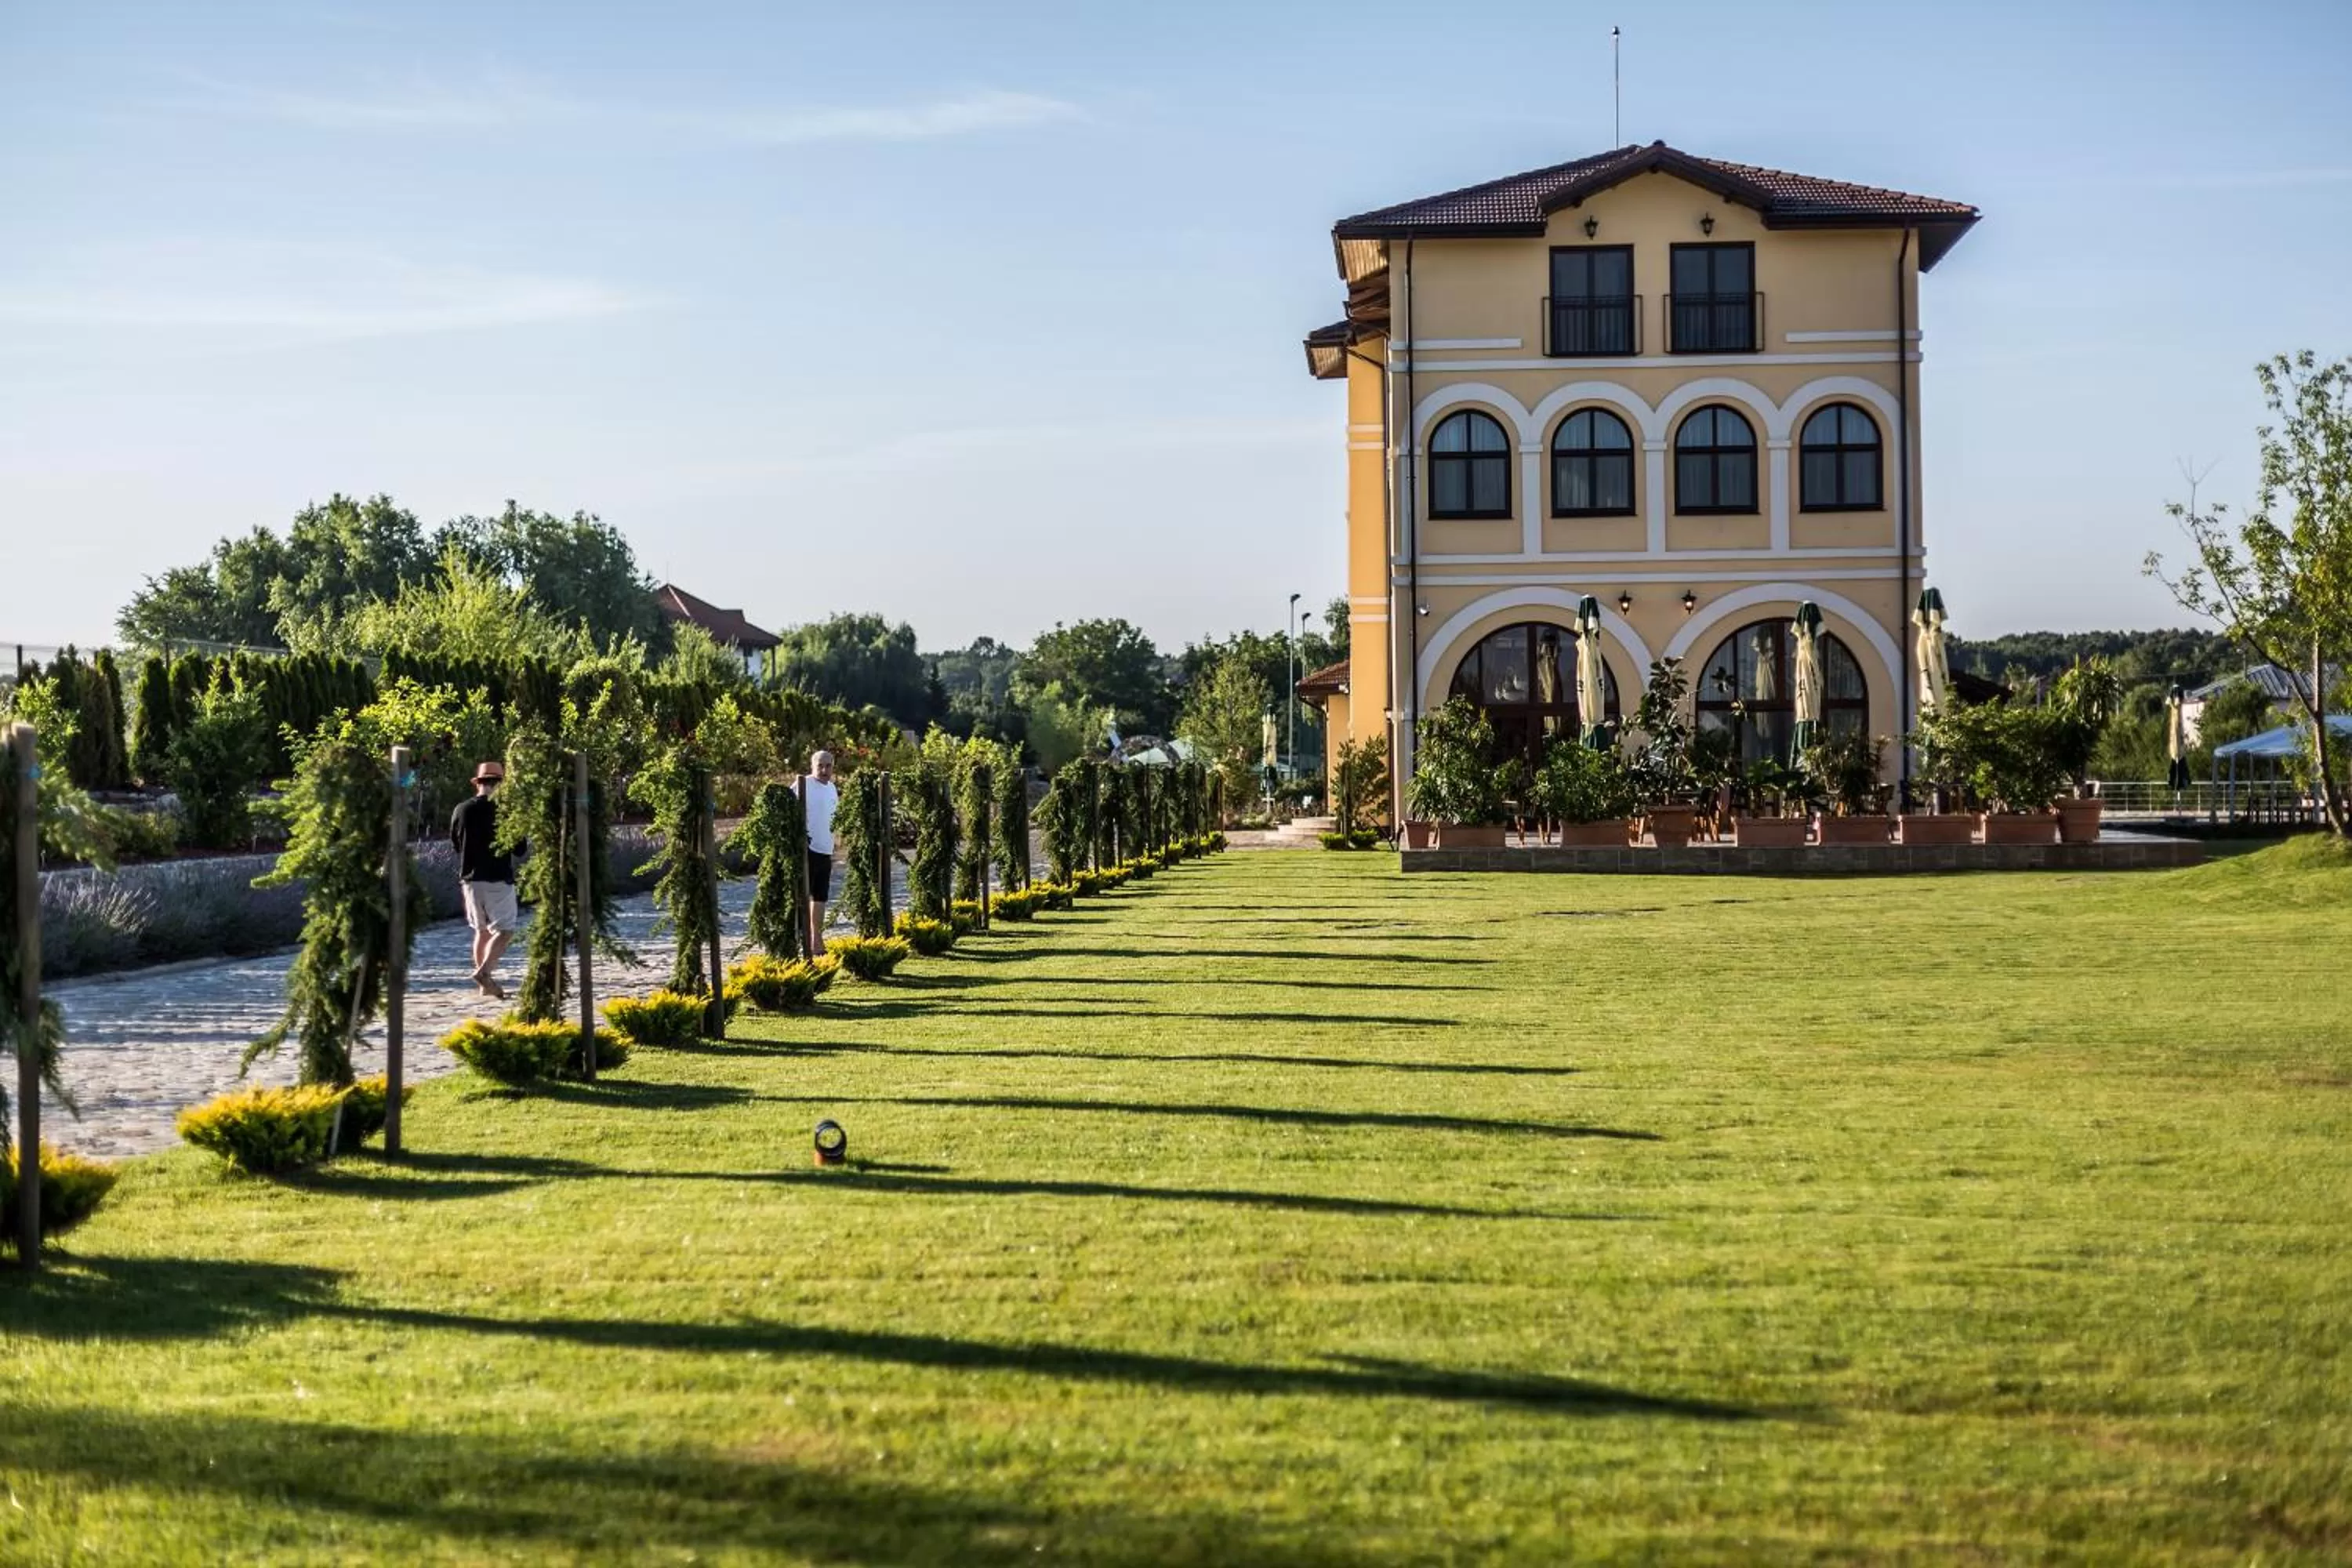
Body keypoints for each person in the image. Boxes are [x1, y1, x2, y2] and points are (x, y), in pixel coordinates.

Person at [450, 760, 520, 1000]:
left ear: (478, 783)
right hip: (497, 878)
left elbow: (457, 844)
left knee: (481, 931)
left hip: (470, 879)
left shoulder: (461, 809)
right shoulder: (506, 811)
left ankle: (484, 987)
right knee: (505, 930)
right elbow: (520, 849)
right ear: (500, 785)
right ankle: (484, 973)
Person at [802, 750, 838, 956]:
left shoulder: (832, 788)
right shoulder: (803, 785)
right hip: (808, 848)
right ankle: (808, 940)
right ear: (812, 766)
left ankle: (817, 938)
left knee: (821, 897)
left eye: (828, 766)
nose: (824, 770)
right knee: (805, 895)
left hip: (825, 849)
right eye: (820, 766)